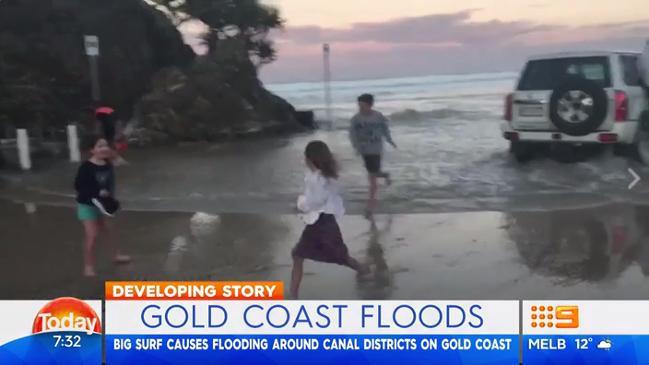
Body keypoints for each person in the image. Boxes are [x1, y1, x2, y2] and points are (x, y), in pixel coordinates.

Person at [290, 140, 368, 299]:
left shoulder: (316, 178)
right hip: (325, 221)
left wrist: (300, 203)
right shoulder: (328, 176)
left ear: (310, 159)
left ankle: (363, 269)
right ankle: (293, 294)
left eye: (305, 157)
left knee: (337, 256)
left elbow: (316, 201)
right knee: (301, 254)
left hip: (321, 223)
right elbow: (332, 199)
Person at [74, 135, 130, 277]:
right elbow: (78, 186)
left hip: (104, 204)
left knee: (108, 231)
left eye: (105, 145)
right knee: (92, 235)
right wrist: (97, 192)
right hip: (87, 204)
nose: (104, 148)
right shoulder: (86, 167)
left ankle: (115, 256)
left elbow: (110, 183)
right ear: (92, 150)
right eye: (100, 146)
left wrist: (111, 199)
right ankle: (88, 266)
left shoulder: (108, 164)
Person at [349, 94, 397, 217]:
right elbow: (352, 134)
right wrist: (356, 147)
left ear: (370, 105)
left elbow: (385, 129)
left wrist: (390, 140)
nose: (360, 108)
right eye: (359, 105)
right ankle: (385, 175)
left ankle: (370, 207)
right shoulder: (356, 119)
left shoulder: (378, 116)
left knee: (372, 179)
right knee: (374, 175)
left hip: (376, 150)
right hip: (365, 151)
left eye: (363, 105)